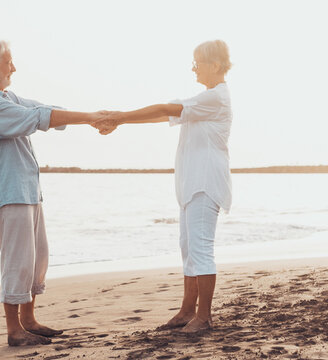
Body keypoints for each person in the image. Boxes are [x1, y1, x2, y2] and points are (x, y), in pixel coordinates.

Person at [0, 38, 104, 346]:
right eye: (8, 62)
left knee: (36, 259)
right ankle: (15, 330)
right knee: (17, 262)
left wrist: (89, 116)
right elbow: (36, 118)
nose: (13, 68)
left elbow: (43, 109)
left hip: (27, 191)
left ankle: (29, 321)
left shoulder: (6, 96)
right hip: (7, 194)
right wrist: (91, 118)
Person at [95, 40, 233, 333]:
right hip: (190, 184)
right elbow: (163, 115)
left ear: (216, 65)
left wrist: (119, 116)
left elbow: (161, 108)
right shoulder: (204, 99)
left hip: (206, 183)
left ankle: (204, 316)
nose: (193, 67)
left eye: (198, 62)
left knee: (201, 249)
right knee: (188, 248)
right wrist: (122, 121)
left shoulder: (216, 98)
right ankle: (186, 311)